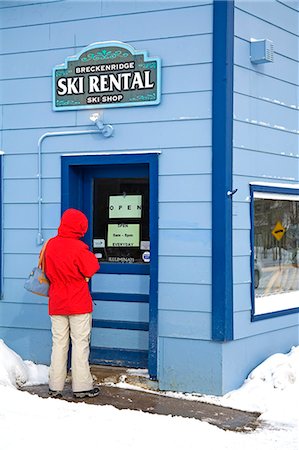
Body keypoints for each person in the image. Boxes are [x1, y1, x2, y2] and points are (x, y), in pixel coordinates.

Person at [44, 208, 100, 398]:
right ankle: (82, 386)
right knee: (80, 343)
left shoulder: (50, 245)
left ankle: (55, 386)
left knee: (58, 344)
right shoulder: (79, 248)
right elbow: (92, 267)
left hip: (57, 302)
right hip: (78, 303)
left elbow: (46, 269)